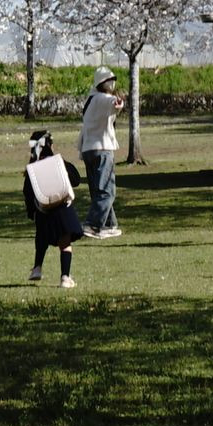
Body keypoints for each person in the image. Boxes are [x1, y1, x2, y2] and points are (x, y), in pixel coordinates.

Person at [20, 127, 84, 287]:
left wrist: (32, 212)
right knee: (65, 245)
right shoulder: (59, 163)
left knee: (42, 240)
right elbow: (76, 180)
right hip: (63, 210)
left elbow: (28, 192)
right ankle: (65, 278)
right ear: (50, 144)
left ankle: (37, 268)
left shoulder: (32, 168)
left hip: (43, 211)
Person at [76, 69, 124, 237]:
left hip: (88, 149)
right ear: (102, 83)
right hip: (102, 149)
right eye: (110, 80)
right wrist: (119, 104)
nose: (113, 83)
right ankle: (93, 224)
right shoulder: (102, 99)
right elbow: (113, 103)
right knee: (107, 191)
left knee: (98, 190)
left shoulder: (91, 99)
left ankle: (110, 224)